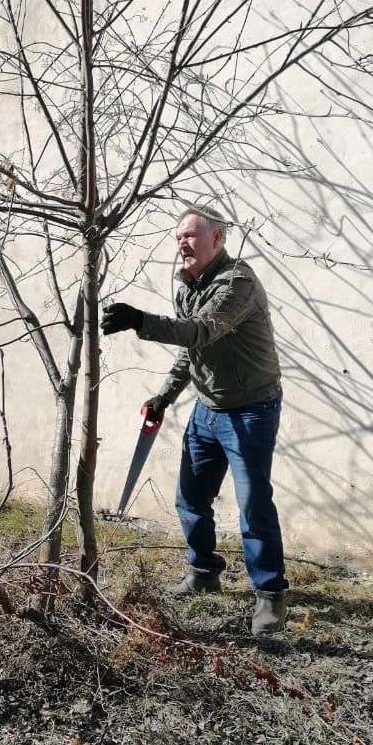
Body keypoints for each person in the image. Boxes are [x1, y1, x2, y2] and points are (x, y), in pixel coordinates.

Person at [102, 209, 288, 634]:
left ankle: (270, 595)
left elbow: (201, 332)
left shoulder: (237, 283)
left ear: (218, 238)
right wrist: (164, 396)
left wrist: (141, 321)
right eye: (178, 237)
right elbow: (192, 352)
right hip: (208, 409)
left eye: (189, 236)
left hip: (251, 409)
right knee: (190, 498)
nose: (181, 243)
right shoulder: (188, 286)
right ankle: (204, 573)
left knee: (253, 504)